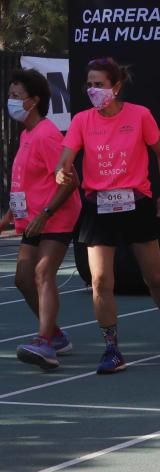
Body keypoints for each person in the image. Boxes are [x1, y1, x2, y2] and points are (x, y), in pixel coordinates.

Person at [55, 57, 160, 374]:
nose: (93, 90)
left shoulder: (139, 115)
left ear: (115, 87)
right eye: (89, 85)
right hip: (98, 207)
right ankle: (112, 348)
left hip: (136, 203)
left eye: (99, 84)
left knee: (155, 278)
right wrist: (61, 172)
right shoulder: (82, 121)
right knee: (101, 279)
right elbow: (65, 158)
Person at [1, 70, 82, 370]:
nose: (10, 101)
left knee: (43, 273)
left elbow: (70, 182)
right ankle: (57, 335)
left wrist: (46, 213)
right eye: (9, 95)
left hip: (56, 216)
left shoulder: (47, 135)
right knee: (22, 279)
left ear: (33, 101)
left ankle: (44, 342)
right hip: (33, 218)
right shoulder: (26, 135)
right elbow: (27, 182)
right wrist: (9, 216)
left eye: (16, 96)